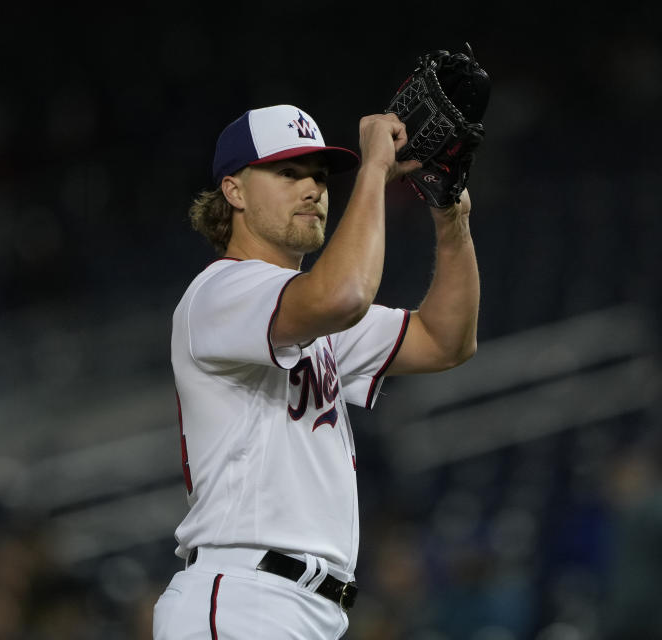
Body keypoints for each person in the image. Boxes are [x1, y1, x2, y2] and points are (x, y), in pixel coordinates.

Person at [152, 104, 480, 639]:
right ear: (233, 191)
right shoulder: (219, 293)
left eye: (321, 176)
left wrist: (450, 216)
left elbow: (446, 341)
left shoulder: (308, 315)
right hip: (243, 597)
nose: (313, 189)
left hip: (305, 608)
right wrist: (374, 169)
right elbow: (344, 294)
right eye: (288, 173)